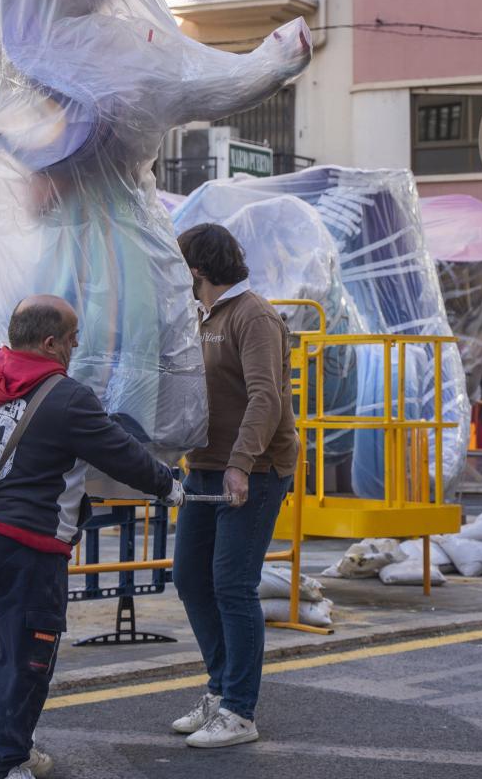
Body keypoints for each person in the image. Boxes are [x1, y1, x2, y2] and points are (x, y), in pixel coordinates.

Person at [0, 295, 185, 779]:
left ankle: (12, 745)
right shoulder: (66, 397)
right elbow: (122, 454)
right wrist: (168, 486)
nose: (76, 347)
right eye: (72, 339)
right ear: (49, 342)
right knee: (29, 658)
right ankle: (3, 760)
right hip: (26, 549)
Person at [170, 224, 301, 750]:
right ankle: (220, 690)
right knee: (189, 579)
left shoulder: (254, 316)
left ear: (196, 270)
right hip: (204, 464)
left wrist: (242, 463)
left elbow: (265, 398)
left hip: (254, 470)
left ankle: (239, 711)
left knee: (231, 585)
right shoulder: (201, 317)